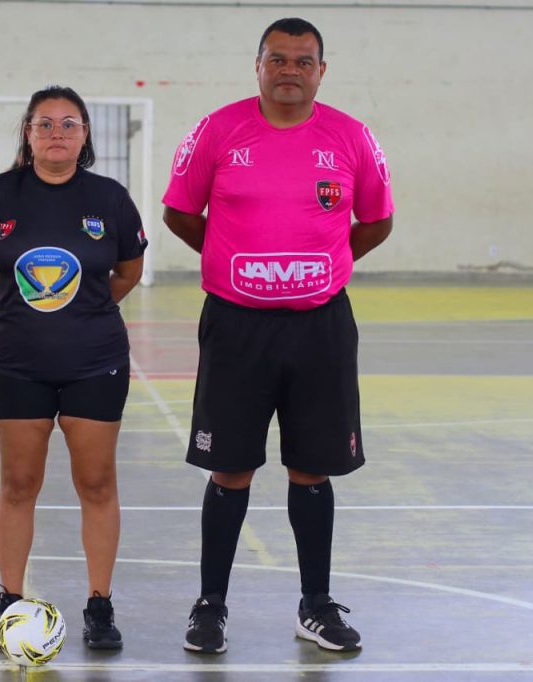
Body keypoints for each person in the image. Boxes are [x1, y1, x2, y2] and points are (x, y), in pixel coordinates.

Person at [162, 18, 394, 654]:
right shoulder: (218, 130)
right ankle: (210, 606)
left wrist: (325, 261)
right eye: (278, 59)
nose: (290, 70)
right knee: (230, 467)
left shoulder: (351, 136)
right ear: (258, 65)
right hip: (237, 325)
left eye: (303, 60)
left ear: (322, 70)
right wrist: (231, 255)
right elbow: (179, 211)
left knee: (312, 468)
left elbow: (377, 220)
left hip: (320, 327)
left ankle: (315, 605)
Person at [0, 86, 147, 651]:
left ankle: (99, 605)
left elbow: (127, 273)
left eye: (69, 123)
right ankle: (10, 601)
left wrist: (84, 313)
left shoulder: (110, 199)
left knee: (97, 482)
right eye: (45, 123)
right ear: (28, 132)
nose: (57, 133)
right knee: (19, 483)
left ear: (85, 134)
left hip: (96, 362)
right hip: (18, 363)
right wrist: (22, 311)